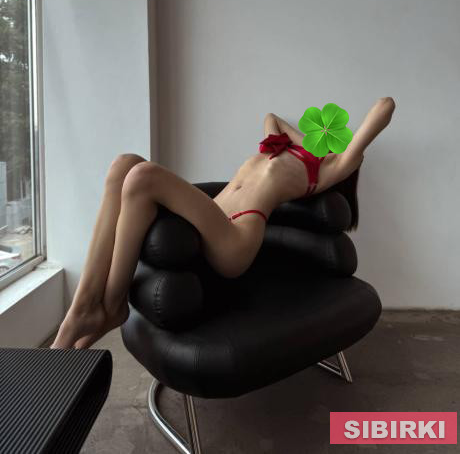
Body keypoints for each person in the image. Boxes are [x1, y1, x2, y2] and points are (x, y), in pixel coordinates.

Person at [50, 97, 396, 349]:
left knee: (143, 175)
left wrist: (329, 148)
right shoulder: (279, 148)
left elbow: (386, 106)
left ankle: (108, 307)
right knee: (124, 164)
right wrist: (306, 140)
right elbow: (271, 116)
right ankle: (85, 306)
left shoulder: (328, 170)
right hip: (212, 217)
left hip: (236, 237)